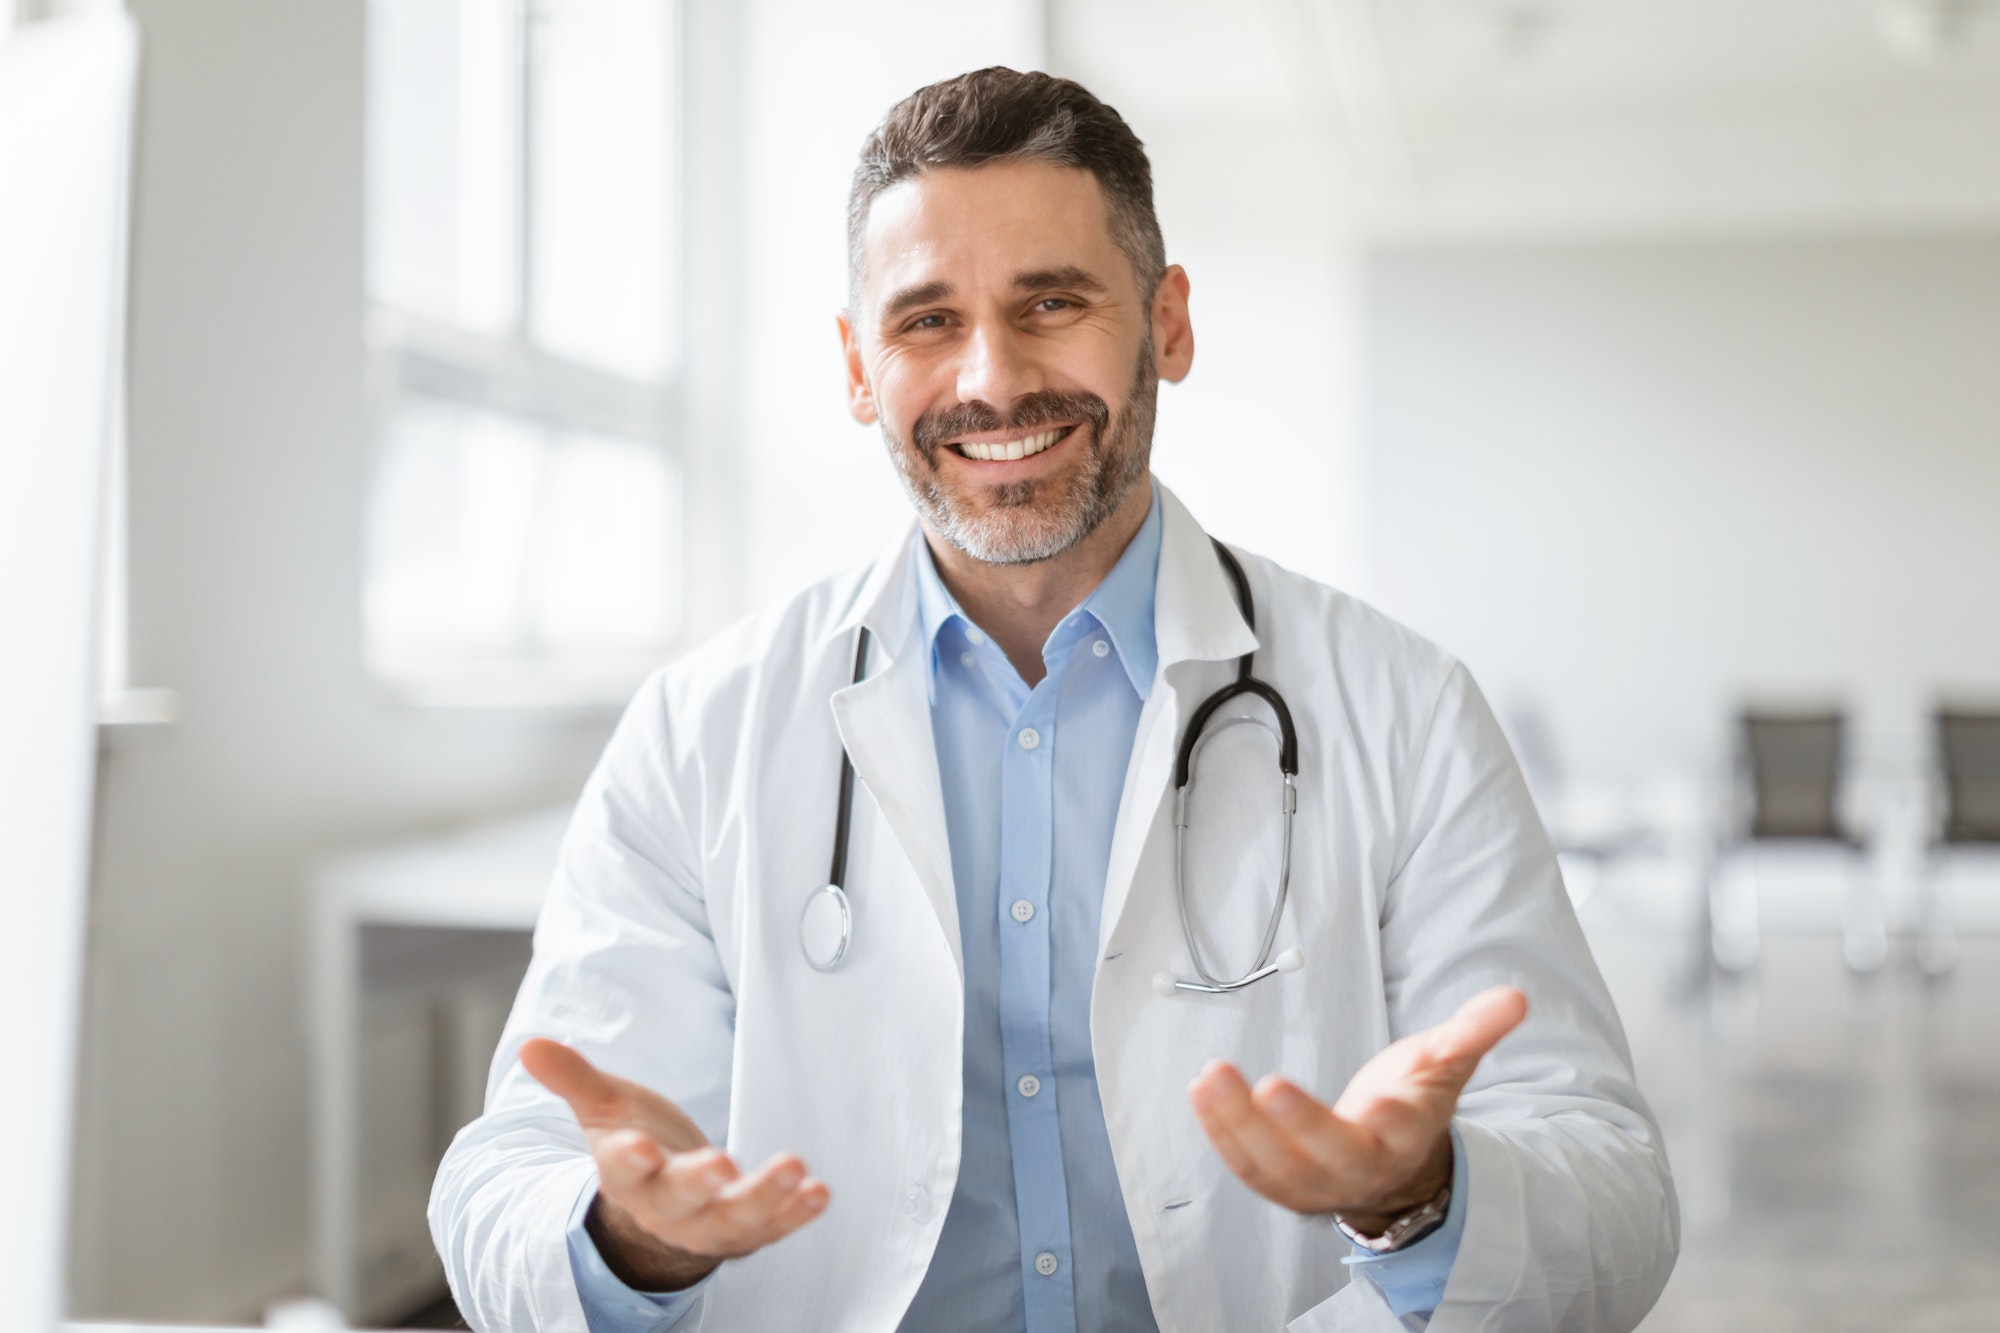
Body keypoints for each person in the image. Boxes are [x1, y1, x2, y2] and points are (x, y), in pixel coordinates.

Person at [430, 67, 1678, 1333]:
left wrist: (1424, 1195)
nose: (992, 378)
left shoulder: (1399, 709)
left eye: (1051, 301)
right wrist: (629, 1237)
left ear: (1167, 324)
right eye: (925, 321)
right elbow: (506, 1180)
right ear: (859, 366)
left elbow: (1611, 1187)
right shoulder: (704, 729)